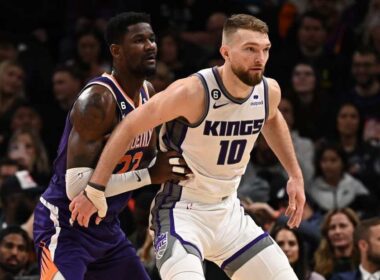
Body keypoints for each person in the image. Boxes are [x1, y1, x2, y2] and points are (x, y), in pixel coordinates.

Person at [71, 14, 306, 280]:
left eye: (265, 50)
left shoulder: (267, 91)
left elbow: (272, 118)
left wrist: (295, 175)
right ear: (225, 52)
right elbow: (129, 126)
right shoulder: (193, 92)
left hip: (230, 213)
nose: (259, 58)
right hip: (181, 214)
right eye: (250, 49)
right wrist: (95, 188)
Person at [33, 12, 190, 280]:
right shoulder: (98, 100)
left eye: (152, 39)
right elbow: (77, 189)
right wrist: (150, 175)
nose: (150, 45)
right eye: (139, 40)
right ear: (116, 51)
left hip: (107, 230)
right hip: (66, 225)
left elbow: (148, 158)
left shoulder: (148, 93)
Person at [314, 208, 359, 279]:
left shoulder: (367, 262)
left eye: (343, 226)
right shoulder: (318, 266)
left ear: (355, 229)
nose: (337, 231)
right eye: (332, 227)